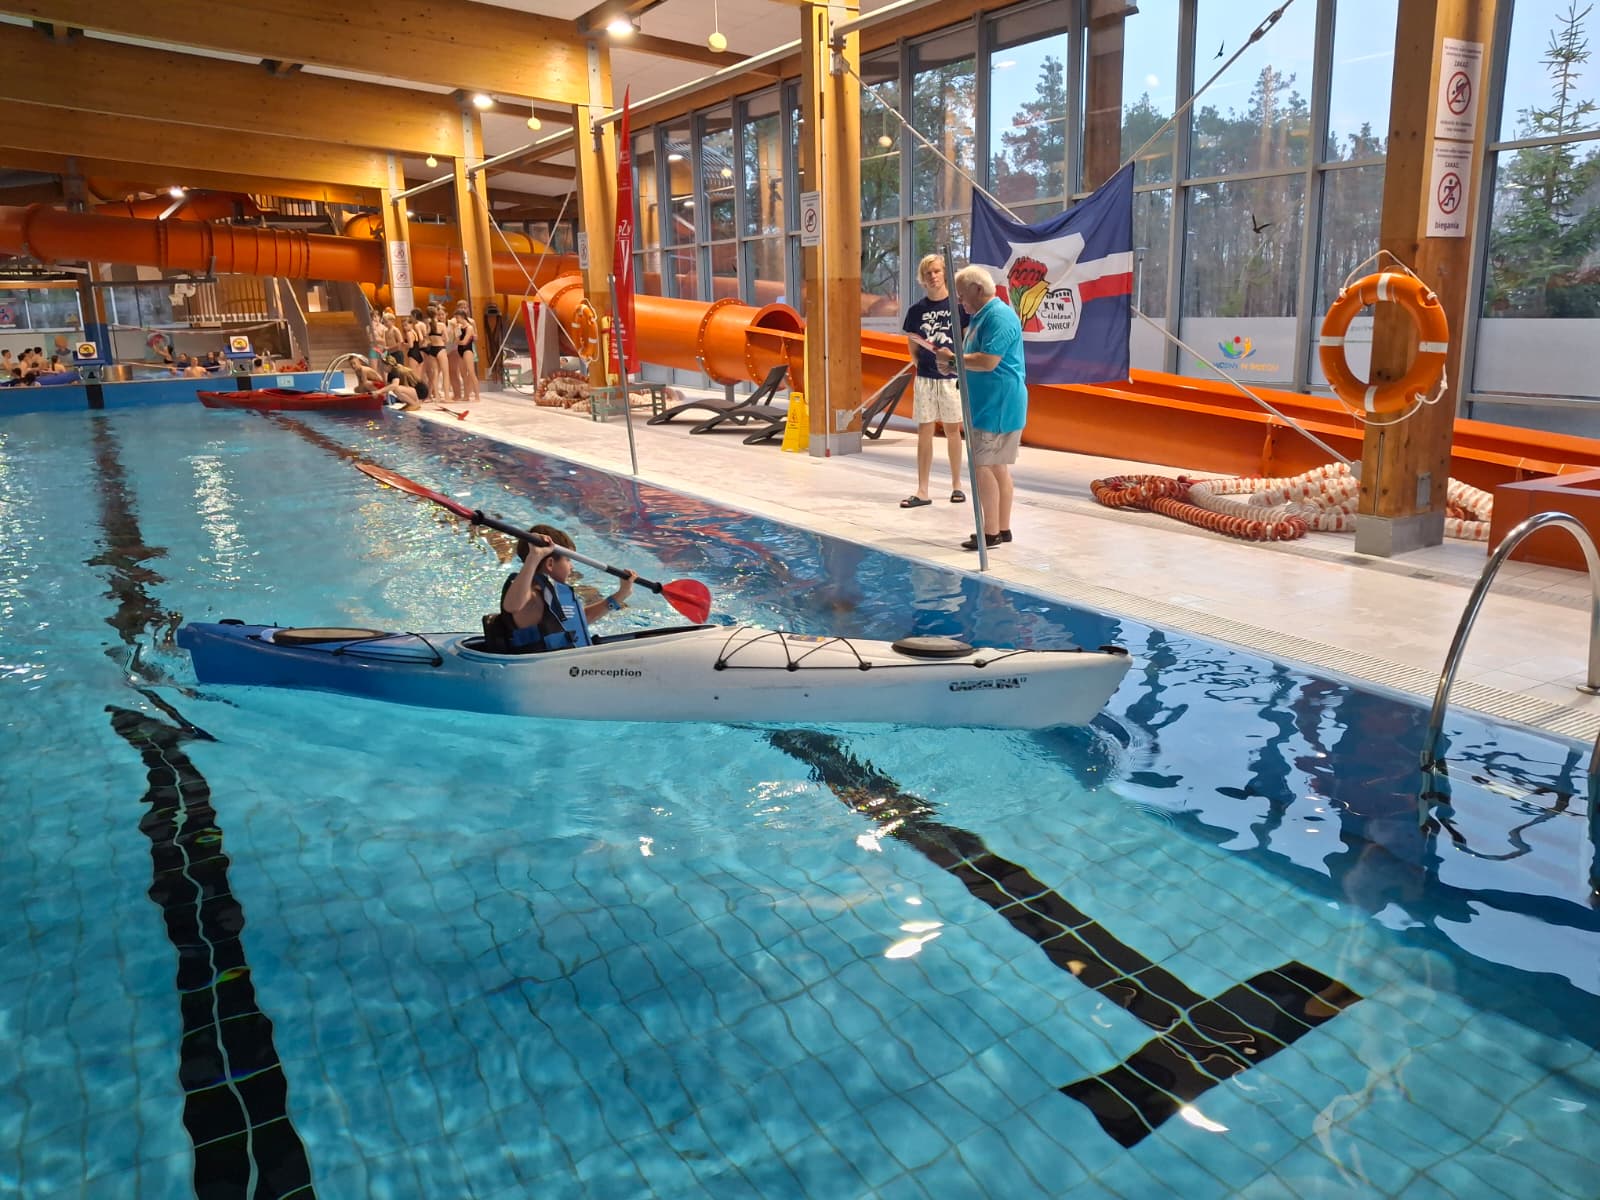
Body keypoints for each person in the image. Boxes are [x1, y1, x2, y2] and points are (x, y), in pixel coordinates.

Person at [937, 265, 1026, 550]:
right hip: (990, 402)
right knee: (997, 466)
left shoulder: (998, 317)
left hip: (997, 404)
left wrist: (953, 359)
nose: (960, 301)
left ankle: (990, 533)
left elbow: (988, 361)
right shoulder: (981, 317)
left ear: (977, 289)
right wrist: (954, 364)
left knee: (982, 466)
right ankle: (1002, 528)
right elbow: (973, 358)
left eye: (962, 295)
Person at [486, 525, 635, 653]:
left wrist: (621, 594)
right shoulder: (531, 597)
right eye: (568, 560)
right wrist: (534, 557)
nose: (572, 566)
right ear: (550, 564)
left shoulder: (554, 593)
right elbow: (512, 606)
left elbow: (581, 619)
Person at [898, 254, 968, 508]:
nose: (933, 276)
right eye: (928, 273)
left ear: (944, 273)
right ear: (922, 278)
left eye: (937, 271)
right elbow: (913, 348)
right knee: (924, 430)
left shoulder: (959, 308)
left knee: (953, 430)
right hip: (926, 378)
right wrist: (925, 367)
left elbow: (965, 340)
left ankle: (957, 485)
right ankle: (923, 488)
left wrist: (956, 367)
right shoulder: (916, 311)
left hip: (952, 378)